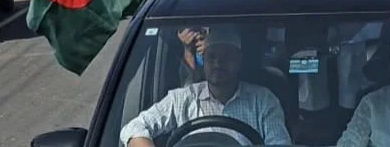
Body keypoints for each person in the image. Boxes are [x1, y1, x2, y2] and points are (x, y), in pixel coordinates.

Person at [120, 28, 291, 146]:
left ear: (238, 61)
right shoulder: (182, 98)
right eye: (212, 57)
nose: (218, 63)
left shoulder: (263, 100)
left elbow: (280, 143)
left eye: (225, 57)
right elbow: (134, 127)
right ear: (204, 60)